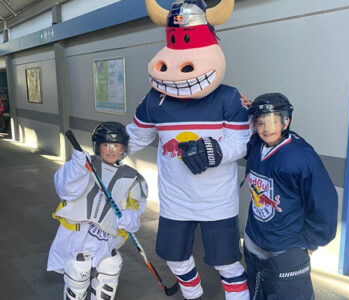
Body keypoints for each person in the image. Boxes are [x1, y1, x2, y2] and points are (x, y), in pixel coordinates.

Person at [125, 1, 251, 300]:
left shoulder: (229, 98)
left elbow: (240, 144)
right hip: (175, 199)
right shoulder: (154, 100)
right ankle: (192, 294)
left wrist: (211, 151)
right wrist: (109, 147)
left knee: (228, 264)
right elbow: (136, 137)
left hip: (217, 201)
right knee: (174, 257)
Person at [243, 93, 338, 300]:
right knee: (256, 293)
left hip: (286, 247)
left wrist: (311, 240)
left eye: (272, 121)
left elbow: (324, 202)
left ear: (286, 121)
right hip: (255, 238)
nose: (266, 128)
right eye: (260, 122)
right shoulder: (256, 144)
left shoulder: (300, 156)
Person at [47, 122, 148, 300]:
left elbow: (137, 206)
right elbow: (66, 189)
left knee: (111, 265)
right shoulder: (84, 166)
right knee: (78, 268)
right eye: (105, 145)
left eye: (116, 145)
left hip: (107, 235)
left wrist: (129, 218)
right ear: (97, 147)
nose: (111, 150)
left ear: (123, 148)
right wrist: (76, 167)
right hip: (78, 233)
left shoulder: (134, 178)